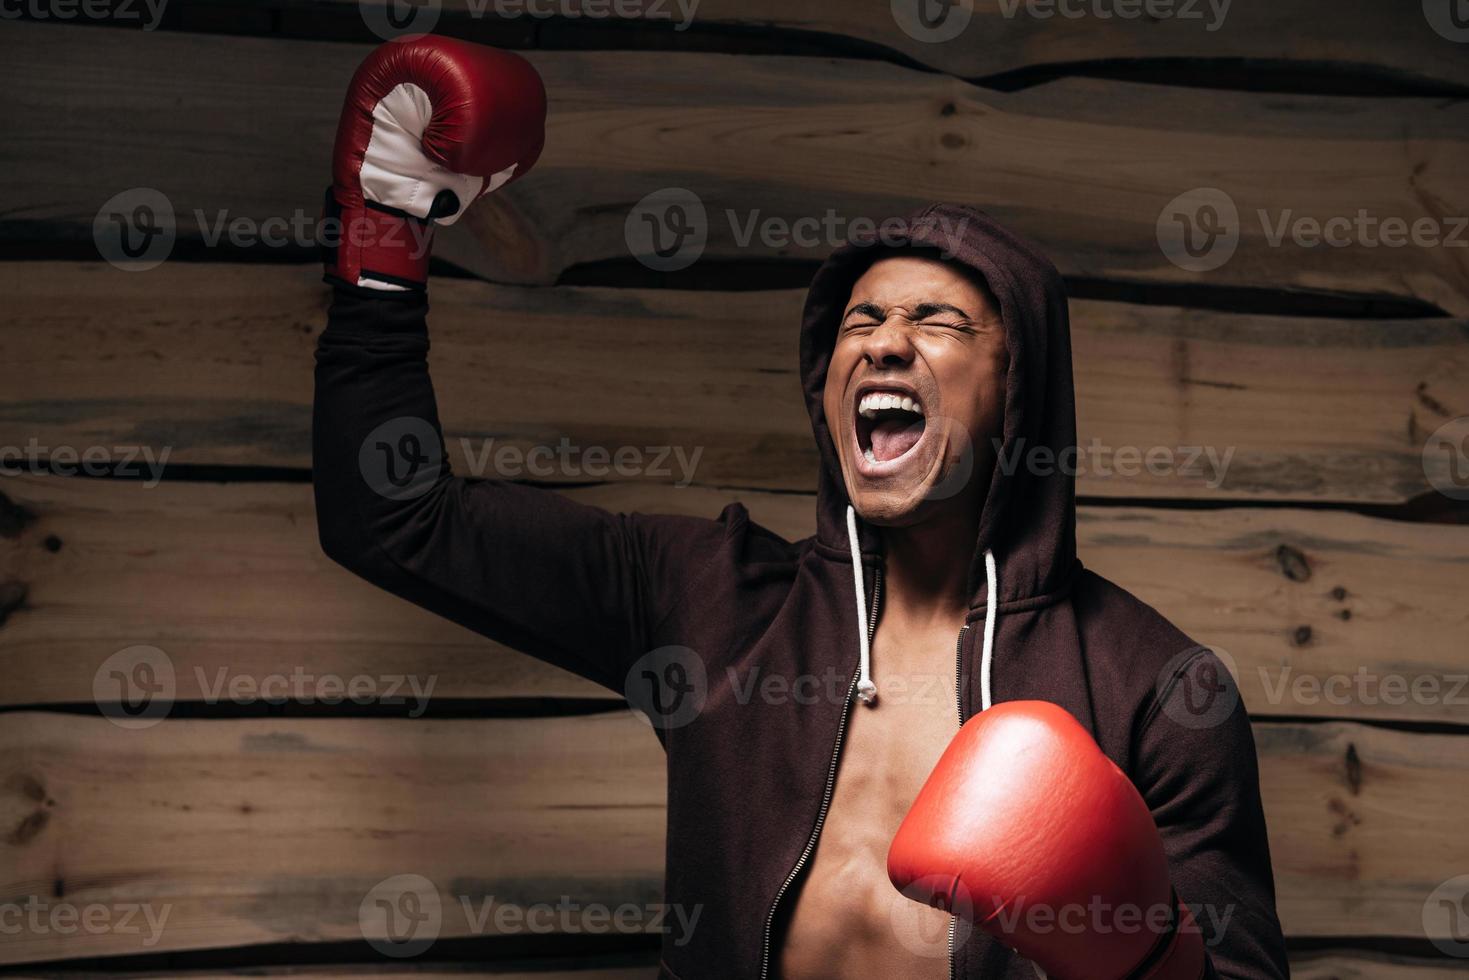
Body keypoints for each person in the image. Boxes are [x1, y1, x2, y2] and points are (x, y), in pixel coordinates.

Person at [313, 35, 1289, 980]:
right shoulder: (711, 601)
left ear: (1018, 386)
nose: (883, 343)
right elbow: (395, 516)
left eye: (936, 320)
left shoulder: (1154, 691)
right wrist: (384, 229)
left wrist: (1142, 953)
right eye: (859, 321)